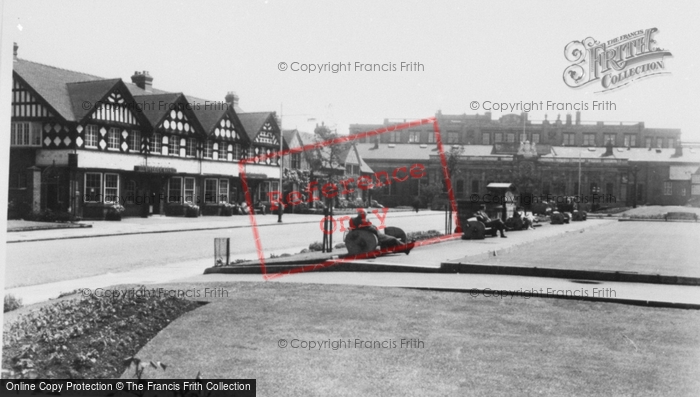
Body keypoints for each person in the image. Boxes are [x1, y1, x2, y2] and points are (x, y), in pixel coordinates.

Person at [349, 209, 413, 255]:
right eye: (365, 215)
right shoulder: (364, 222)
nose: (366, 216)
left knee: (391, 238)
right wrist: (374, 229)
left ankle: (404, 247)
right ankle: (406, 248)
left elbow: (354, 228)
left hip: (371, 235)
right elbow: (372, 230)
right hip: (375, 236)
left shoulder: (354, 220)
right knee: (393, 239)